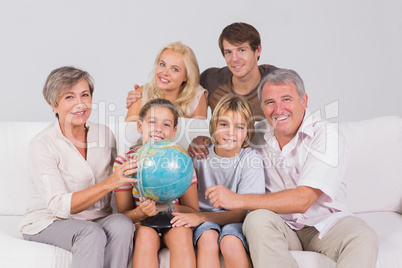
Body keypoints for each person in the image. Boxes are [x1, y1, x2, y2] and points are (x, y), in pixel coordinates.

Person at [188, 68, 379, 267]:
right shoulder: (259, 133)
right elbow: (229, 137)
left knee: (363, 236)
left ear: (303, 101)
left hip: (326, 226)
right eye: (270, 102)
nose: (279, 109)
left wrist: (236, 199)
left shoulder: (326, 136)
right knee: (257, 219)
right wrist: (201, 141)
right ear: (262, 107)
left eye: (286, 99)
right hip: (281, 227)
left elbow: (303, 200)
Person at [19, 66, 136, 268]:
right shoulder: (42, 144)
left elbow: (118, 181)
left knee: (123, 225)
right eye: (69, 97)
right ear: (53, 105)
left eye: (85, 95)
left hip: (97, 218)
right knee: (91, 233)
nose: (80, 104)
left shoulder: (105, 135)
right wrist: (108, 184)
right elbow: (59, 206)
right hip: (50, 221)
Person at [170, 94, 265, 268]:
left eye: (239, 127)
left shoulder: (251, 159)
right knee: (207, 238)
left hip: (236, 221)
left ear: (248, 131)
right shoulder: (200, 155)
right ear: (214, 126)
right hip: (204, 221)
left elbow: (240, 213)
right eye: (223, 124)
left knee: (230, 241)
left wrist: (199, 217)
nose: (230, 132)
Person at [126, 22, 277, 119]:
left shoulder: (277, 81)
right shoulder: (210, 79)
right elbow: (177, 84)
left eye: (242, 50)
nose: (234, 58)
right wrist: (139, 95)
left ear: (257, 50)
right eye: (228, 52)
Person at [114, 98, 199, 268]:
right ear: (140, 127)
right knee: (146, 237)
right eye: (152, 122)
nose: (158, 129)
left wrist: (166, 207)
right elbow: (123, 215)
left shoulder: (182, 162)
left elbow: (193, 210)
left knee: (182, 236)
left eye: (166, 125)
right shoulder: (125, 162)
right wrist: (141, 212)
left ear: (174, 132)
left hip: (174, 220)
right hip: (142, 223)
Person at [125, 41, 208, 122]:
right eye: (162, 64)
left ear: (186, 77)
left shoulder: (196, 95)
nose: (164, 72)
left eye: (175, 69)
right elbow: (129, 133)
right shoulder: (141, 93)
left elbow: (198, 133)